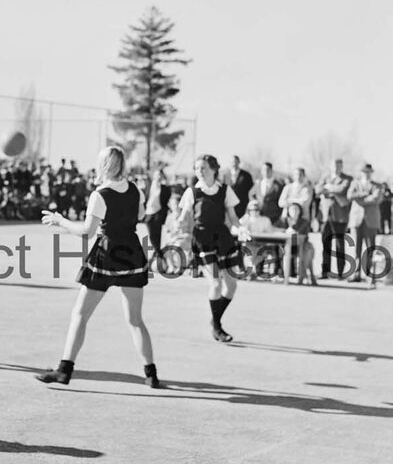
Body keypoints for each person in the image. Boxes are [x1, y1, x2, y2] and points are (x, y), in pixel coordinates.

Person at [35, 146, 159, 388]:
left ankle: (64, 370)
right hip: (131, 253)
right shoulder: (135, 190)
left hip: (107, 254)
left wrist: (61, 221)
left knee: (80, 314)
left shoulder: (100, 194)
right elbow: (141, 215)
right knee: (135, 320)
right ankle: (151, 374)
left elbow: (86, 232)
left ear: (104, 166)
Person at [177, 155, 248, 342]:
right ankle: (217, 327)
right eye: (197, 168)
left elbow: (232, 216)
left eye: (204, 167)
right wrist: (179, 224)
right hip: (202, 239)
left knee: (231, 285)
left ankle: (215, 320)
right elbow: (185, 214)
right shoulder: (192, 192)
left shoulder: (225, 190)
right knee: (215, 283)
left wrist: (240, 228)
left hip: (223, 238)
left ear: (214, 169)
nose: (200, 171)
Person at [346, 163, 383, 285]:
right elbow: (350, 196)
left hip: (370, 220)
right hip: (356, 219)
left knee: (369, 248)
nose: (366, 174)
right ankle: (355, 272)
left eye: (368, 172)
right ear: (360, 173)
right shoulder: (354, 183)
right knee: (356, 248)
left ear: (371, 173)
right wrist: (364, 195)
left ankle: (368, 273)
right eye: (364, 172)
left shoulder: (377, 185)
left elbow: (375, 199)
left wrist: (360, 200)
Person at [316, 158, 353, 280]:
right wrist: (332, 190)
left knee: (339, 245)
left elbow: (343, 189)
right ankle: (325, 271)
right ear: (330, 166)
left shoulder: (347, 179)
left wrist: (329, 188)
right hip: (325, 216)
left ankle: (341, 272)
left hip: (339, 216)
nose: (336, 168)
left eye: (338, 166)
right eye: (334, 166)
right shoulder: (325, 177)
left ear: (342, 167)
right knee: (326, 244)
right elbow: (318, 190)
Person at [142, 167, 172, 263]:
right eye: (157, 174)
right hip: (149, 212)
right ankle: (158, 254)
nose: (158, 176)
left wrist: (166, 182)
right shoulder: (149, 184)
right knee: (151, 235)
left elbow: (167, 197)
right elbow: (145, 197)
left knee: (157, 235)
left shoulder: (164, 188)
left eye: (160, 174)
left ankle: (158, 255)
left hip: (158, 212)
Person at [284, 202, 317, 286]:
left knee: (306, 252)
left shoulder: (304, 222)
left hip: (302, 245)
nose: (294, 211)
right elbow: (276, 229)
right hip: (287, 246)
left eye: (296, 209)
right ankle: (287, 277)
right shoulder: (284, 220)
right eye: (292, 209)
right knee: (285, 253)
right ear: (288, 211)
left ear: (300, 211)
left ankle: (302, 277)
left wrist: (290, 229)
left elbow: (300, 234)